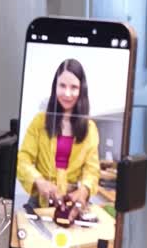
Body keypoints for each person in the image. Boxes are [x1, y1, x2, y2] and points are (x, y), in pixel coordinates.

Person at [17, 58, 101, 216]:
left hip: (72, 205)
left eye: (74, 87)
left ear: (81, 90)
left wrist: (84, 190)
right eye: (62, 85)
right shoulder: (39, 121)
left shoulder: (90, 129)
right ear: (55, 87)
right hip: (40, 203)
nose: (67, 94)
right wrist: (39, 181)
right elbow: (23, 159)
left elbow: (92, 170)